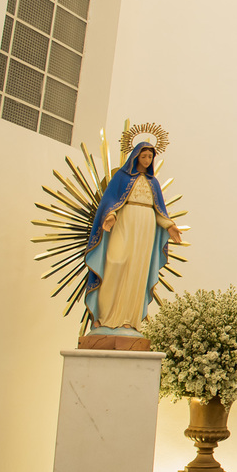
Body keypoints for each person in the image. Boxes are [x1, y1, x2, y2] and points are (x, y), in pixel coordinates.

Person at [84, 142, 181, 332]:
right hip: (124, 224)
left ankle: (129, 318)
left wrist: (170, 226)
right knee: (115, 263)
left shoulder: (153, 183)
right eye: (143, 156)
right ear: (136, 156)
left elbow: (159, 211)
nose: (147, 160)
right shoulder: (121, 177)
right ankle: (103, 316)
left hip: (145, 229)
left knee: (138, 271)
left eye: (150, 157)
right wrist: (110, 215)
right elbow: (110, 201)